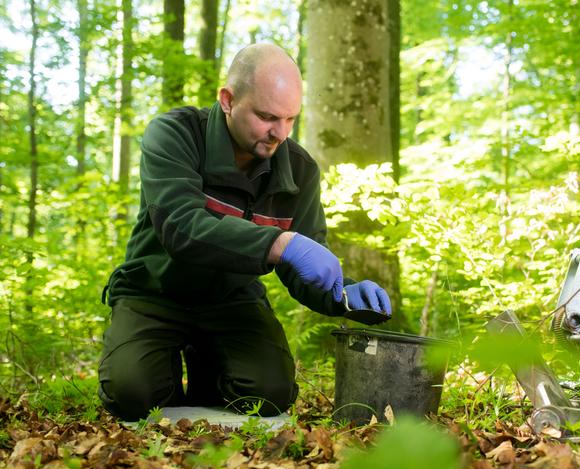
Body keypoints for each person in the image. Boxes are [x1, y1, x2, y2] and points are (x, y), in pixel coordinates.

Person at [98, 43, 391, 421]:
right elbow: (180, 226)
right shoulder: (176, 134)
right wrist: (280, 242)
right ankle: (160, 370)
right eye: (267, 116)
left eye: (290, 119)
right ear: (228, 100)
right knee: (134, 393)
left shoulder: (299, 171)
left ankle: (210, 365)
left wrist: (345, 296)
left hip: (232, 299)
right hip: (153, 291)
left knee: (270, 394)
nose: (280, 133)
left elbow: (302, 264)